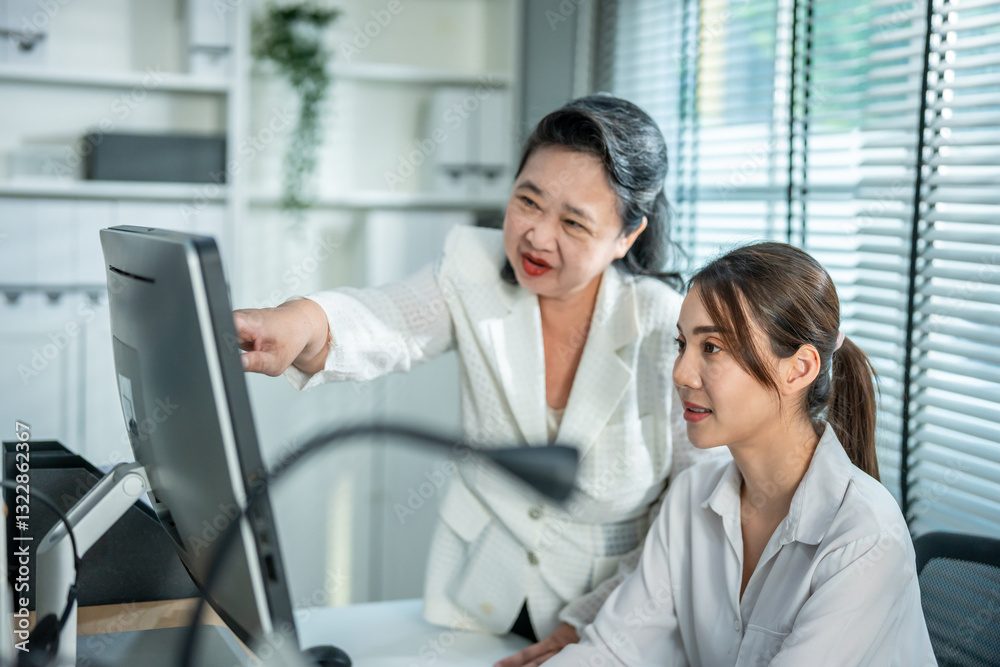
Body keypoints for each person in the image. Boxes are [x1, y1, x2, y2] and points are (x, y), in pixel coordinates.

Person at [234, 95, 714, 664]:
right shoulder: (474, 267)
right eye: (527, 201)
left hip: (613, 613)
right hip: (478, 601)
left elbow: (688, 513)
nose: (536, 235)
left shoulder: (667, 327)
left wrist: (591, 630)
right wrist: (298, 320)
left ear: (626, 237)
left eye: (572, 222)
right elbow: (391, 318)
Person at [544, 242, 937, 666]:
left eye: (711, 347)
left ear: (798, 369)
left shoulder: (864, 536)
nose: (680, 373)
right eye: (682, 344)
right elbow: (614, 650)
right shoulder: (691, 497)